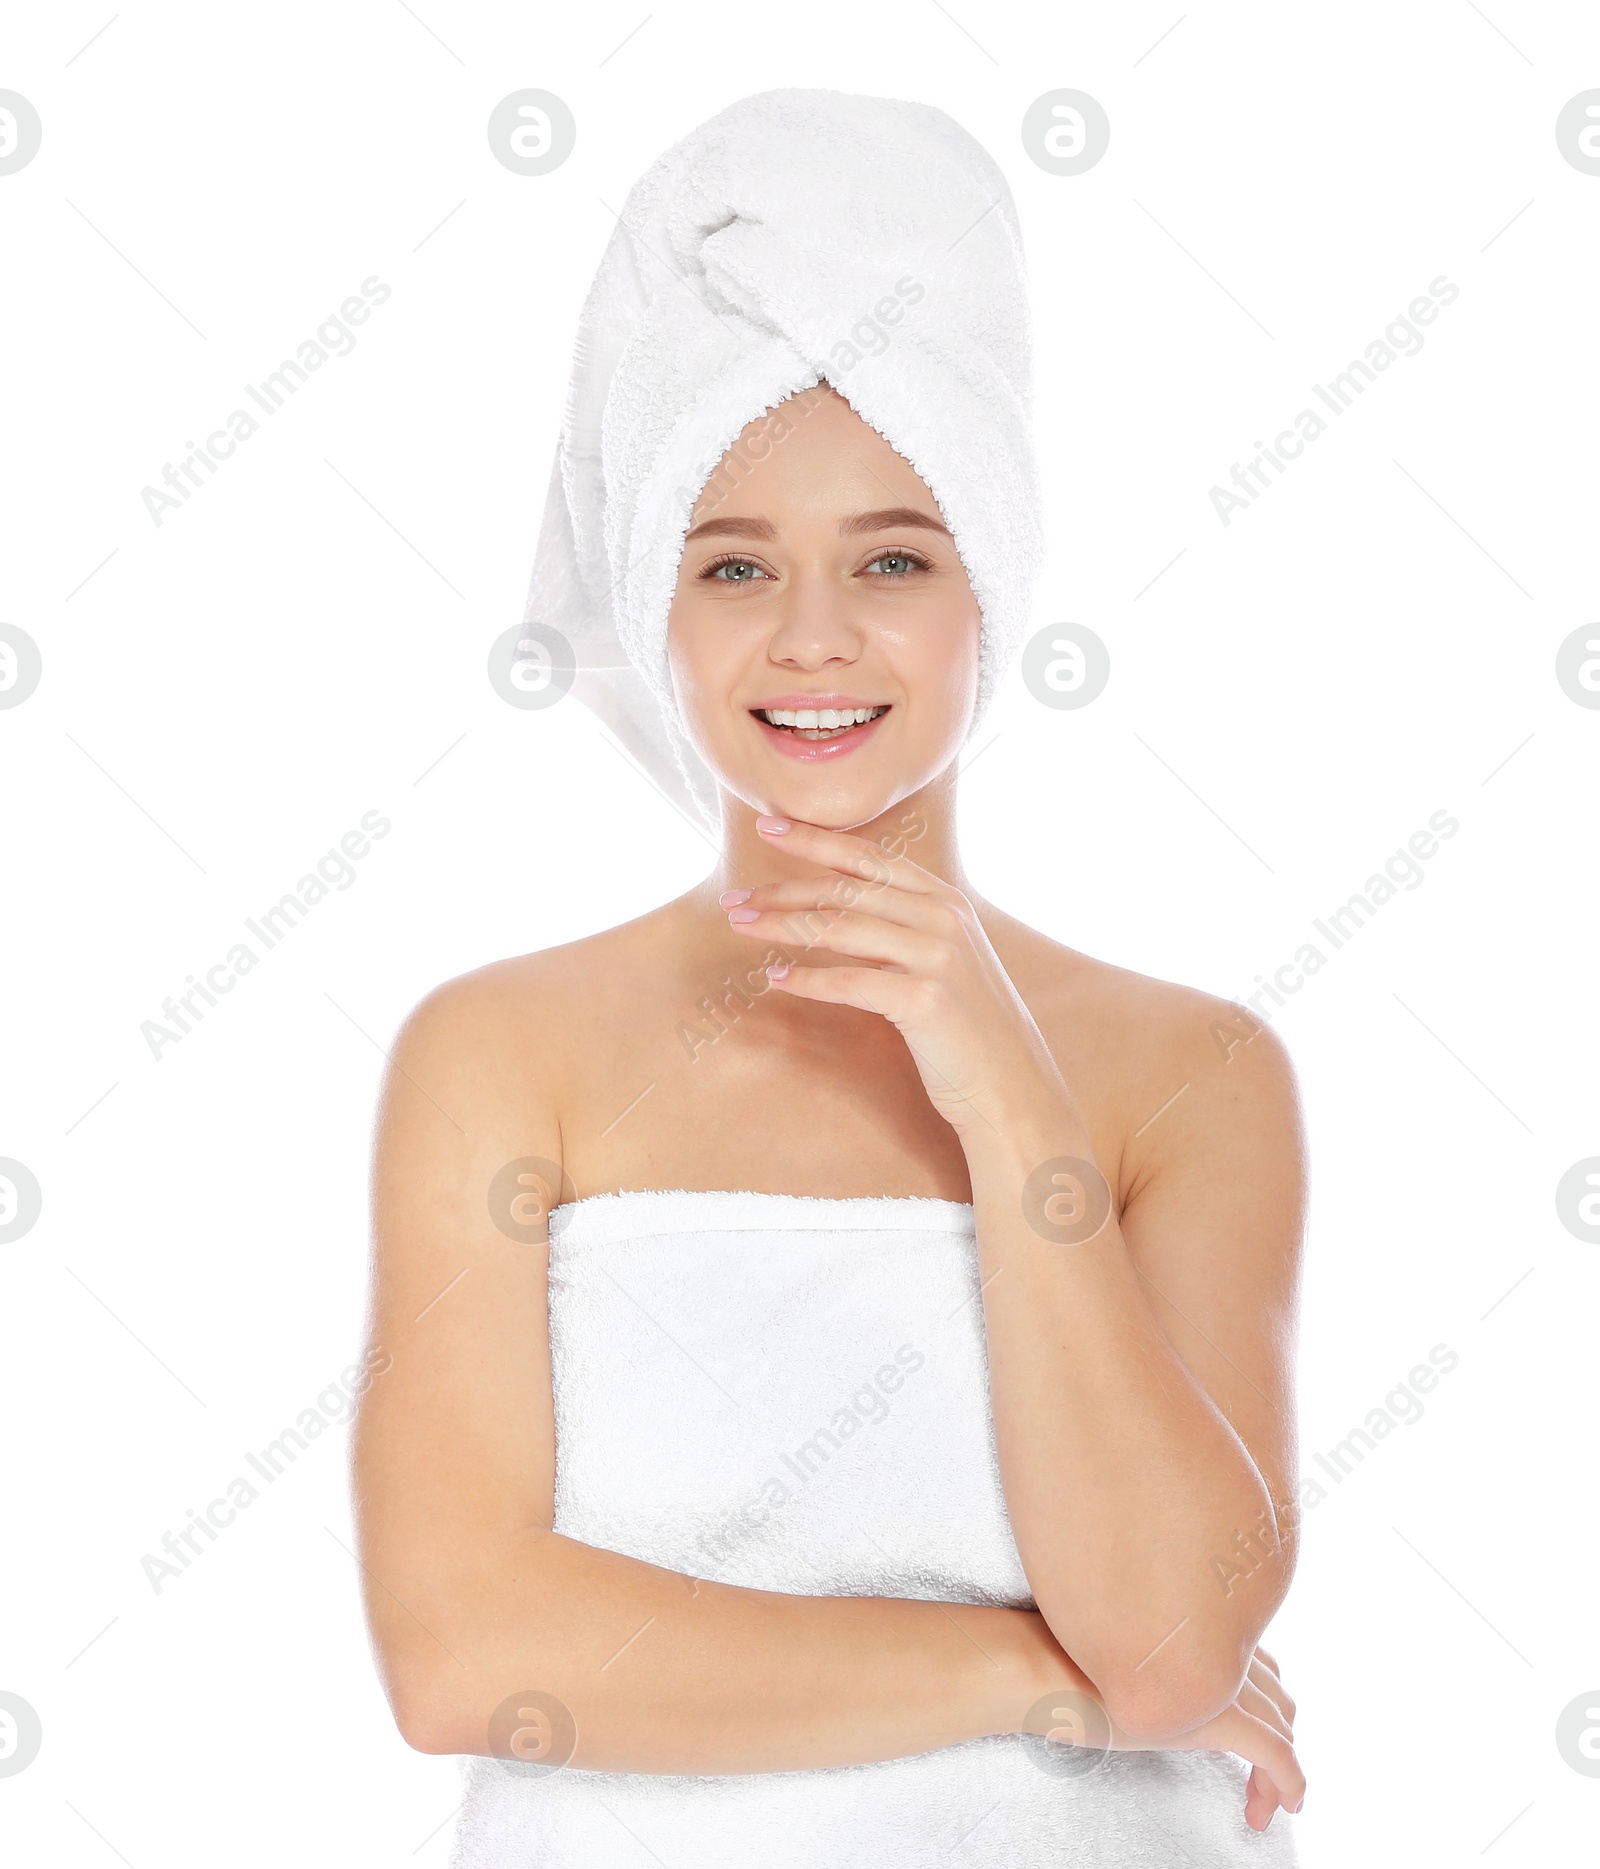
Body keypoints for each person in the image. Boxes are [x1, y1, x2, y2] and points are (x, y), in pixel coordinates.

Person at [353, 90, 1306, 1867]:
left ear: (988, 586)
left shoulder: (1192, 1070)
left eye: (892, 556)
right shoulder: (504, 1056)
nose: (811, 635)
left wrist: (999, 1076)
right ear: (657, 603)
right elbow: (467, 1653)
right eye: (734, 565)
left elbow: (1174, 1640)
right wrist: (1034, 1679)